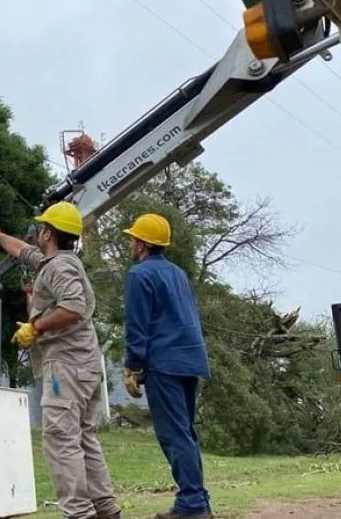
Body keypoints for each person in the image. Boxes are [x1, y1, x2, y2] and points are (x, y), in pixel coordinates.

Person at [0, 201, 122, 519]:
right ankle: (107, 510)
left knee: (60, 440)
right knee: (83, 437)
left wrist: (35, 327)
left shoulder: (59, 268)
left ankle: (79, 513)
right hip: (84, 366)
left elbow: (73, 306)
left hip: (66, 368)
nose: (37, 232)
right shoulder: (56, 262)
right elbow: (25, 252)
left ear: (49, 233)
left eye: (41, 228)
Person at [120, 213, 213, 519]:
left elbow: (138, 326)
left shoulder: (140, 275)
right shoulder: (178, 273)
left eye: (133, 238)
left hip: (165, 364)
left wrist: (132, 366)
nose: (131, 243)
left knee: (174, 435)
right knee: (185, 432)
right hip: (191, 360)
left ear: (143, 243)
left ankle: (192, 504)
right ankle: (198, 499)